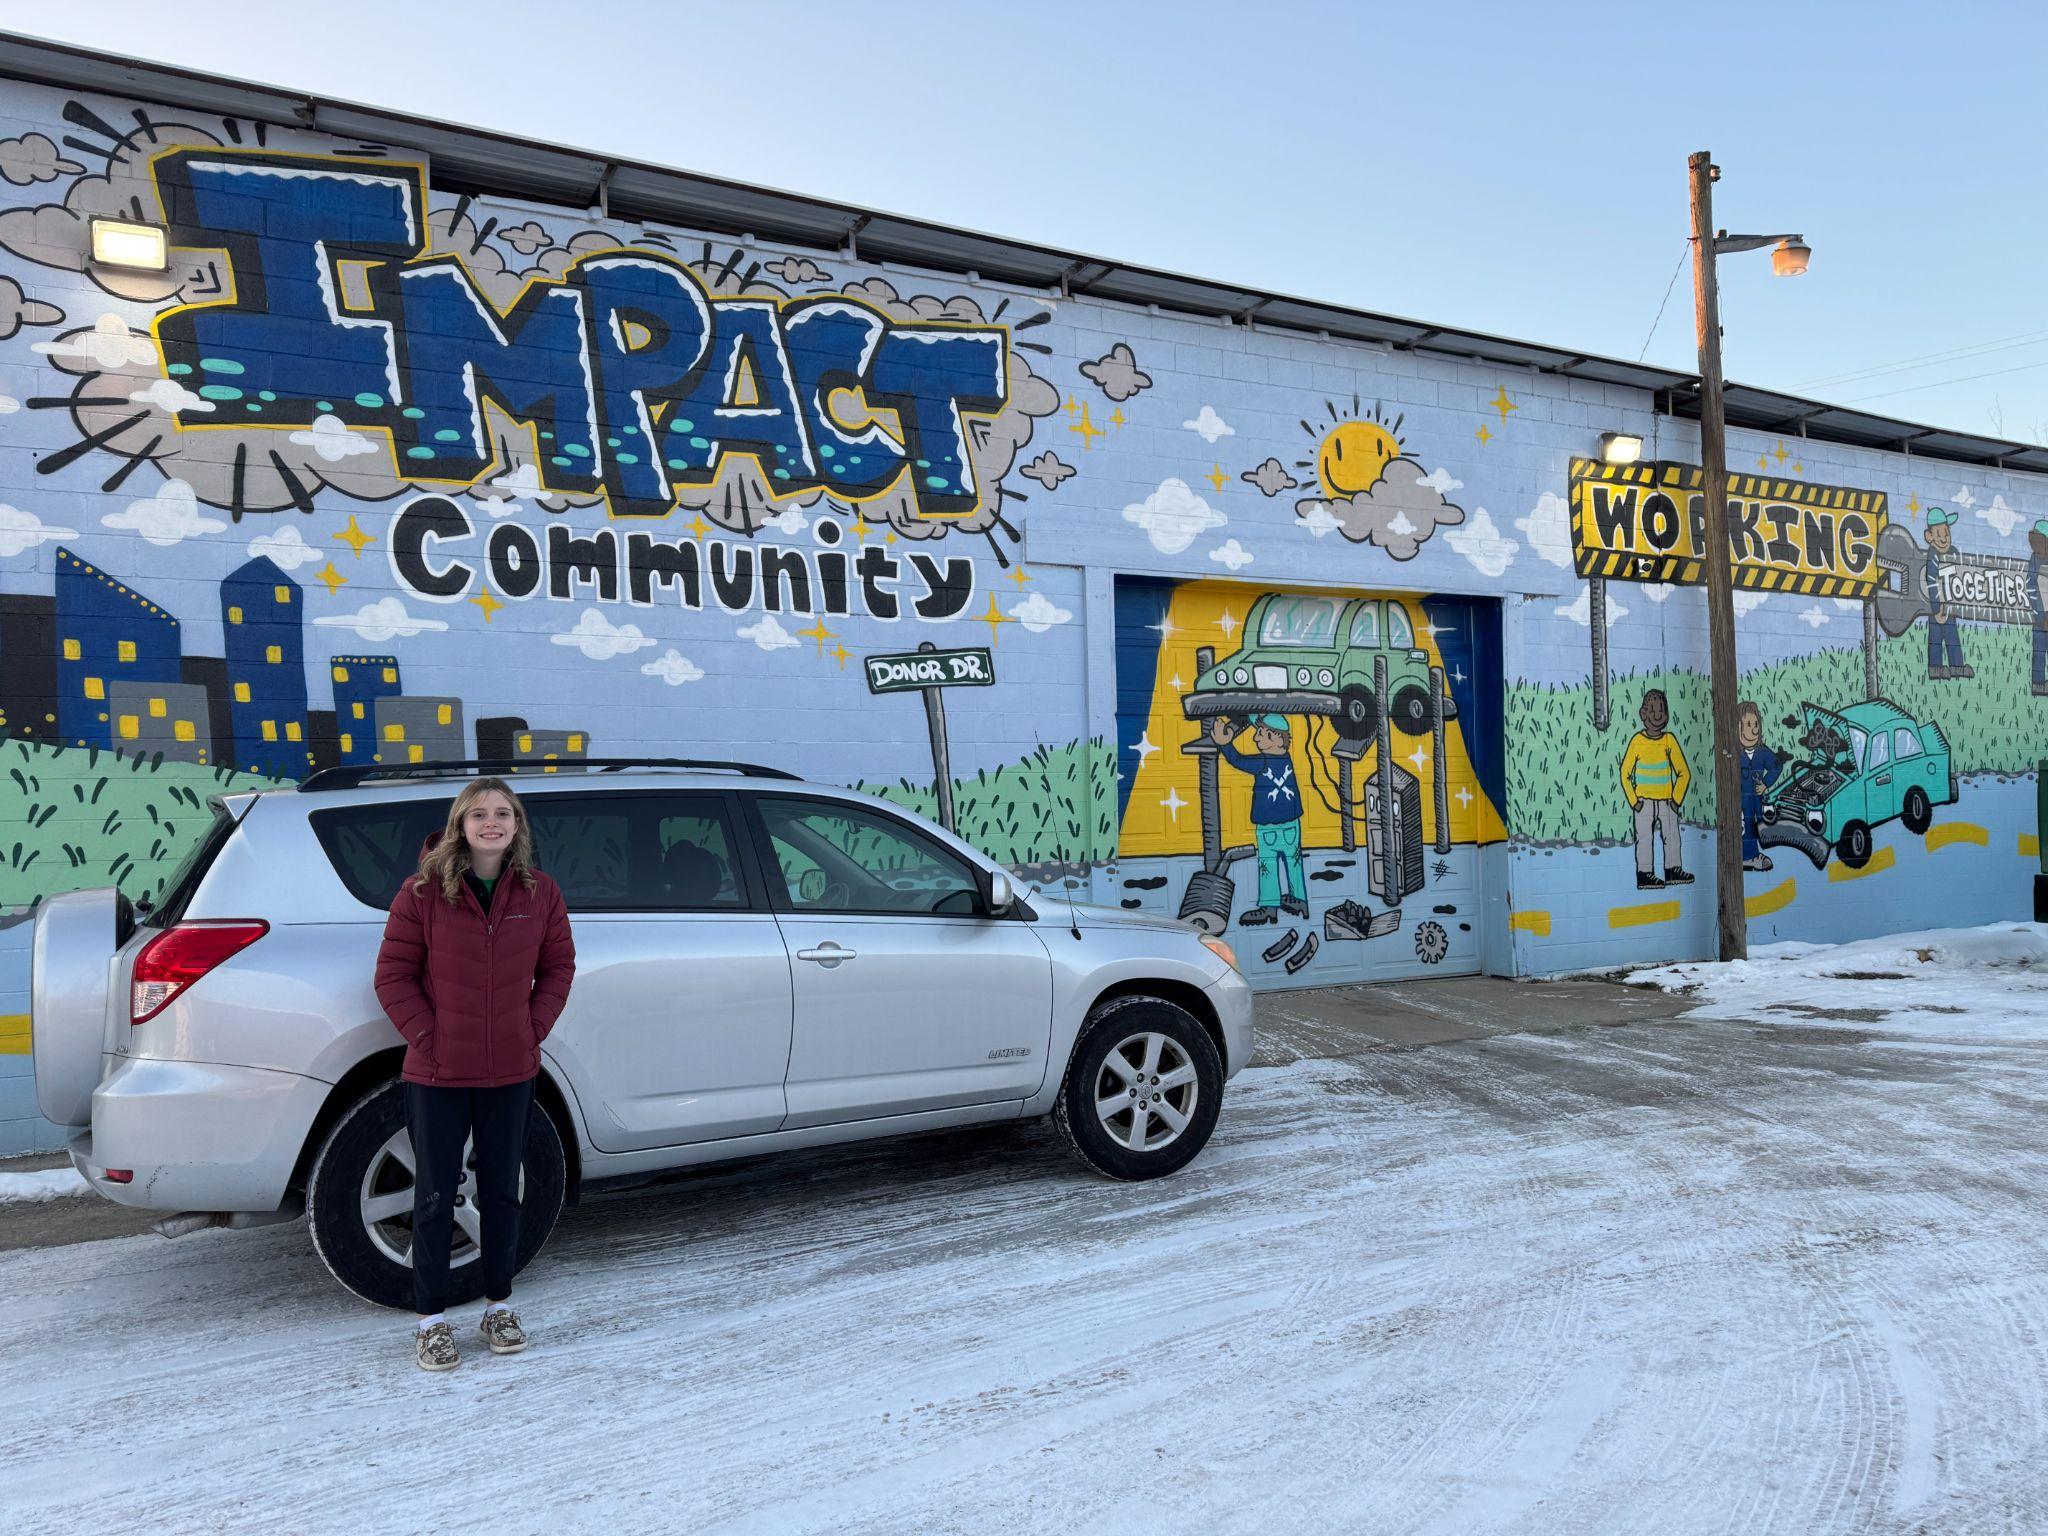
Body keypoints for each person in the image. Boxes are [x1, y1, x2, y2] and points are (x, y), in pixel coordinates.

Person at [374, 777, 575, 1371]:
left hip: (510, 1072)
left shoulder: (539, 893)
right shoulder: (422, 893)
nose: (493, 824)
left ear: (518, 825)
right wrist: (429, 1038)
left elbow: (559, 966)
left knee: (501, 1195)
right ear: (461, 823)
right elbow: (393, 976)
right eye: (480, 814)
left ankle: (498, 1306)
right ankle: (431, 1321)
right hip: (436, 1074)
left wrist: (530, 1029)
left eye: (504, 814)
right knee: (435, 1196)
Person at [1209, 712, 1308, 926]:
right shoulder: (1285, 758)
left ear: (1277, 739)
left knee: (1267, 865)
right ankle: (1299, 900)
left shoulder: (1263, 761)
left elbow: (1238, 760)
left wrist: (1224, 744)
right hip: (1292, 823)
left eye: (1261, 734)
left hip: (1268, 827)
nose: (1255, 738)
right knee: (1294, 861)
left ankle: (1269, 907)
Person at [1620, 689, 1693, 890]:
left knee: (1672, 835)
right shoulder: (1637, 741)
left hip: (1666, 801)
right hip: (1644, 802)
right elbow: (1625, 772)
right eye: (1652, 710)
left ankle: (1673, 870)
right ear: (1643, 714)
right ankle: (1645, 874)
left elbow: (1683, 772)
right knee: (1644, 837)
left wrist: (1676, 800)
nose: (1658, 714)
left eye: (1662, 709)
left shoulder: (1669, 740)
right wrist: (1634, 801)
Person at [1923, 508, 1972, 680]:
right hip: (1936, 608)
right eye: (1938, 533)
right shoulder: (1933, 555)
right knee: (1936, 638)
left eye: (1946, 532)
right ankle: (1935, 668)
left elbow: (1961, 574)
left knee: (1952, 636)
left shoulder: (1953, 552)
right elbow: (1931, 581)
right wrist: (1936, 607)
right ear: (1929, 536)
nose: (1944, 538)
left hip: (1950, 605)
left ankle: (1957, 666)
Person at [1735, 700, 1781, 872]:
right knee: (1744, 828)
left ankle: (1750, 856)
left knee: (1755, 827)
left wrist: (1765, 784)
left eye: (1755, 724)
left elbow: (1777, 766)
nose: (1753, 729)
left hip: (1757, 801)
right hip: (1741, 802)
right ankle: (1749, 856)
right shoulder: (1735, 753)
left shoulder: (1762, 751)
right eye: (1748, 724)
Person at [2029, 519, 2048, 698]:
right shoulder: (2035, 559)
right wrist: (2040, 616)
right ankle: (2038, 683)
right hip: (2040, 617)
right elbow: (2031, 587)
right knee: (2039, 652)